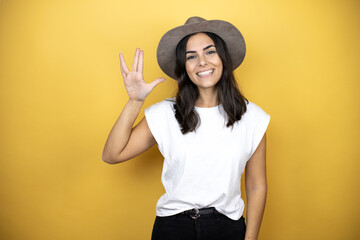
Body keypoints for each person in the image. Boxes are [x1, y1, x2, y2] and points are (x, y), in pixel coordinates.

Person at [102, 16, 270, 240]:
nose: (202, 61)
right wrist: (135, 101)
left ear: (223, 58)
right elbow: (112, 154)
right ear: (184, 67)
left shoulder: (252, 117)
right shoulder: (165, 114)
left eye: (209, 51)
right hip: (173, 228)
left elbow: (256, 185)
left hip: (227, 228)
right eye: (191, 56)